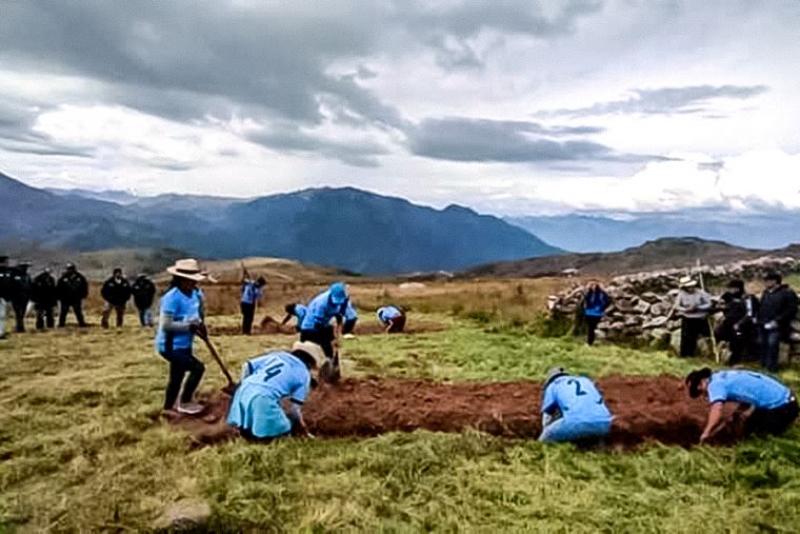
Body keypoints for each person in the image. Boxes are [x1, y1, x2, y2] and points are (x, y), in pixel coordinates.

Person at [227, 341, 323, 440]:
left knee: (249, 426)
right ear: (311, 363)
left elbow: (247, 366)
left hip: (242, 391)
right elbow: (293, 410)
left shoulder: (278, 356)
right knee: (284, 429)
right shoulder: (304, 374)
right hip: (262, 398)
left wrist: (243, 383)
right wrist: (302, 429)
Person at [686, 367, 798, 443]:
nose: (704, 395)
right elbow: (746, 394)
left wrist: (706, 432)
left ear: (703, 382)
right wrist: (738, 412)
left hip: (782, 408)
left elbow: (717, 409)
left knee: (756, 439)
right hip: (786, 401)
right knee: (747, 430)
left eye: (701, 392)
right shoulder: (720, 376)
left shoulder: (715, 385)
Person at [155, 259, 209, 415]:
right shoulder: (172, 298)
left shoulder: (194, 294)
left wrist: (201, 326)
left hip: (185, 344)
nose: (194, 283)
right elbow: (166, 325)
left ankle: (168, 408)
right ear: (181, 279)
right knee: (198, 368)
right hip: (170, 346)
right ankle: (185, 401)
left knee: (176, 376)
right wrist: (189, 327)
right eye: (191, 280)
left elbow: (196, 314)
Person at [539, 367, 613, 444]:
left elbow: (547, 416)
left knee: (544, 439)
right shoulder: (586, 381)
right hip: (605, 424)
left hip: (575, 425)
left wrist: (545, 430)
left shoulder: (553, 385)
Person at [758, 272, 799, 372]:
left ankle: (772, 367)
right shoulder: (766, 293)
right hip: (764, 323)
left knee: (772, 344)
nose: (765, 283)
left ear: (774, 281)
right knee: (763, 343)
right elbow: (762, 307)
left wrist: (777, 321)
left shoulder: (787, 293)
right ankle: (763, 364)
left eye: (767, 281)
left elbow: (791, 310)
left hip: (779, 325)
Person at [300, 282, 350, 359]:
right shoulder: (322, 303)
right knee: (324, 350)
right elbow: (318, 325)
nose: (337, 304)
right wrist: (327, 342)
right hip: (309, 329)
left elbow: (340, 315)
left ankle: (331, 361)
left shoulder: (344, 300)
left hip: (324, 324)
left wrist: (338, 335)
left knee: (331, 346)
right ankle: (328, 361)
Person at [716, 279, 759, 364]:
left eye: (732, 288)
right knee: (718, 333)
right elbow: (721, 305)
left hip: (742, 324)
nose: (730, 290)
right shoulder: (728, 296)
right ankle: (723, 355)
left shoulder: (747, 298)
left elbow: (749, 314)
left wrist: (739, 324)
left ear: (738, 288)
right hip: (728, 323)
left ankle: (736, 360)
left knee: (737, 340)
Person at [675, 275, 712, 357]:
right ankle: (685, 355)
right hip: (687, 318)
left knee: (699, 336)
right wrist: (685, 309)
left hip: (700, 318)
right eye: (688, 287)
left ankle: (697, 353)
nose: (690, 289)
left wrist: (698, 307)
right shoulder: (681, 294)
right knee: (686, 337)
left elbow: (709, 304)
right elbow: (677, 306)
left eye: (691, 287)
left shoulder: (701, 293)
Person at [57, 263, 89, 327]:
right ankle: (61, 324)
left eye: (71, 269)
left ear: (74, 269)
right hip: (65, 298)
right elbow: (58, 288)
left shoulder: (80, 277)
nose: (70, 270)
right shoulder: (63, 278)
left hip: (76, 298)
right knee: (63, 312)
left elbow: (84, 286)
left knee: (78, 312)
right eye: (68, 269)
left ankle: (81, 323)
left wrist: (83, 295)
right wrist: (59, 296)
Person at [582, 281, 611, 346]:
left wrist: (601, 308)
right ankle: (590, 342)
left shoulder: (601, 293)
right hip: (589, 313)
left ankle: (591, 342)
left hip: (597, 313)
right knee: (590, 328)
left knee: (593, 328)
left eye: (594, 285)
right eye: (591, 285)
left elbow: (607, 301)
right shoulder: (589, 293)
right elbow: (585, 301)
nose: (593, 286)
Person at [240, 265, 266, 335]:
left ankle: (245, 331)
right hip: (248, 303)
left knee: (247, 318)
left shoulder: (252, 285)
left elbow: (257, 296)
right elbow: (244, 281)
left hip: (245, 302)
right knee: (248, 318)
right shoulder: (253, 285)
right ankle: (246, 331)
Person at [9, 262, 31, 333]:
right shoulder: (14, 275)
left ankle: (20, 326)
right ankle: (19, 327)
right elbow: (11, 286)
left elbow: (30, 286)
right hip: (16, 297)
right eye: (24, 267)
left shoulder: (27, 276)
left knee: (22, 313)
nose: (26, 269)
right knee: (18, 313)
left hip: (25, 297)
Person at [0, 256, 10, 339]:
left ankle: (1, 332)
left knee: (3, 316)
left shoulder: (7, 272)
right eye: (6, 262)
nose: (7, 263)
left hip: (4, 297)